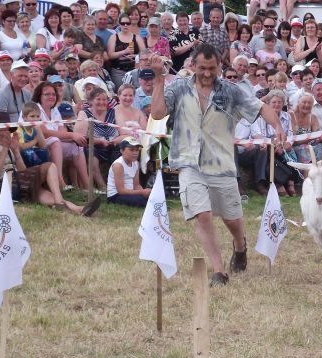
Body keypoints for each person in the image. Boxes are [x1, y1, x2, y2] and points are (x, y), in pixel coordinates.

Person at [150, 43, 285, 286]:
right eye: (202, 68)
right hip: (189, 163)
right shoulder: (179, 88)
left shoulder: (231, 91)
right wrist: (159, 79)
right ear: (193, 65)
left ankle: (240, 246)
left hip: (222, 165)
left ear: (220, 66)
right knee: (203, 215)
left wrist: (277, 126)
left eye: (212, 68)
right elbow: (158, 113)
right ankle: (219, 271)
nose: (207, 73)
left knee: (232, 219)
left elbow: (262, 107)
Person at [0, 111, 101, 216]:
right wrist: (5, 149)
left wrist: (16, 151)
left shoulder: (10, 142)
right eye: (2, 128)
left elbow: (22, 169)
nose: (6, 132)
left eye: (7, 128)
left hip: (19, 180)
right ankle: (61, 203)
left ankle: (79, 209)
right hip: (4, 183)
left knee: (49, 193)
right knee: (48, 167)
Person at [250, 89, 298, 196]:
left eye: (279, 102)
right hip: (267, 146)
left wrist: (283, 146)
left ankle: (290, 183)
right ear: (268, 103)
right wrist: (274, 145)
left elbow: (290, 135)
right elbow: (257, 135)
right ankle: (279, 184)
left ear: (283, 103)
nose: (277, 104)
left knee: (290, 152)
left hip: (283, 146)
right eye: (274, 102)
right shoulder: (259, 117)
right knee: (270, 154)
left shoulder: (287, 116)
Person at [106, 136, 149, 207]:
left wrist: (144, 193)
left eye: (137, 150)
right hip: (116, 195)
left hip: (130, 193)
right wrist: (142, 192)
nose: (135, 153)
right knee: (140, 201)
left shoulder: (136, 163)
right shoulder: (118, 165)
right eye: (131, 150)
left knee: (150, 197)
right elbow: (121, 190)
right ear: (122, 151)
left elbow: (136, 185)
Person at [17, 102, 49, 168]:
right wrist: (35, 141)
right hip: (21, 157)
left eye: (38, 116)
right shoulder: (19, 129)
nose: (35, 119)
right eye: (32, 116)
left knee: (44, 152)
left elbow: (43, 146)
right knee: (29, 153)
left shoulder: (35, 128)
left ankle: (44, 168)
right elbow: (21, 147)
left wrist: (38, 130)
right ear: (24, 117)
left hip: (31, 153)